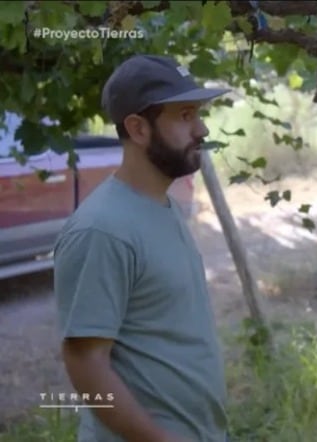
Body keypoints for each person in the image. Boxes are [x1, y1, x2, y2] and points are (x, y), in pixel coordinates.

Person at [53, 54, 232, 442]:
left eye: (198, 114)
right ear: (138, 128)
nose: (201, 129)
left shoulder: (164, 207)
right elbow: (85, 362)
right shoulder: (102, 229)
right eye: (185, 115)